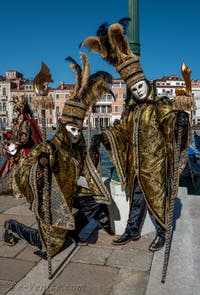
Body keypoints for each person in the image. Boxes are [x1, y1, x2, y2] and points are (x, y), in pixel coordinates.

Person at [81, 18, 190, 251]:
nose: (138, 90)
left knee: (157, 200)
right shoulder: (131, 111)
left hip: (155, 164)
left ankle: (162, 233)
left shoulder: (158, 105)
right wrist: (105, 136)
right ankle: (132, 231)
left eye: (140, 85)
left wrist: (179, 120)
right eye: (134, 88)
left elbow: (168, 120)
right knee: (137, 199)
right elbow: (121, 130)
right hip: (136, 165)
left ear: (146, 83)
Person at [3, 53, 114, 258]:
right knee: (51, 246)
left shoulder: (77, 145)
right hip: (52, 198)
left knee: (96, 202)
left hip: (70, 190)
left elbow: (85, 166)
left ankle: (73, 232)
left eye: (79, 130)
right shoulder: (49, 148)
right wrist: (41, 167)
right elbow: (25, 171)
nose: (76, 134)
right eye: (72, 130)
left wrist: (96, 148)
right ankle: (12, 226)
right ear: (63, 128)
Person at [0, 95, 42, 197]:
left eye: (16, 108)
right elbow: (15, 134)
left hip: (24, 150)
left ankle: (21, 189)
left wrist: (12, 143)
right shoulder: (19, 120)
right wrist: (6, 134)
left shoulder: (25, 121)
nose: (15, 110)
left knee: (19, 168)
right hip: (18, 149)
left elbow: (24, 138)